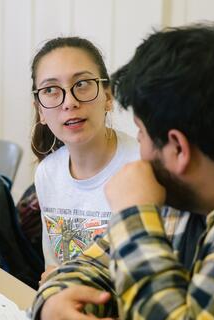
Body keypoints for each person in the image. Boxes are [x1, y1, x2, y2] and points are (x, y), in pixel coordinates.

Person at [31, 23, 214, 320]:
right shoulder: (199, 179)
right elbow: (91, 265)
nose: (139, 149)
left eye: (140, 134)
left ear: (178, 149)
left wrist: (133, 215)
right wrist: (53, 307)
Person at [30, 37, 139, 283]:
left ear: (108, 96)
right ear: (40, 110)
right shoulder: (47, 173)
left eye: (82, 84)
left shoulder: (143, 164)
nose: (70, 102)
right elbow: (54, 269)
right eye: (50, 90)